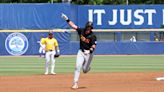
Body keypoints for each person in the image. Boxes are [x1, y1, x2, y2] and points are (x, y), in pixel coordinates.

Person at [61, 13, 97, 89]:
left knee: (84, 70)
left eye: (90, 28)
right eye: (88, 27)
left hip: (89, 54)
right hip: (81, 52)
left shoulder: (93, 36)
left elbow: (93, 46)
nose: (88, 29)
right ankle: (75, 83)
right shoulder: (81, 31)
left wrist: (89, 51)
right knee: (77, 67)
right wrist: (67, 19)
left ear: (91, 29)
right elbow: (73, 26)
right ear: (86, 27)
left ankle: (87, 68)